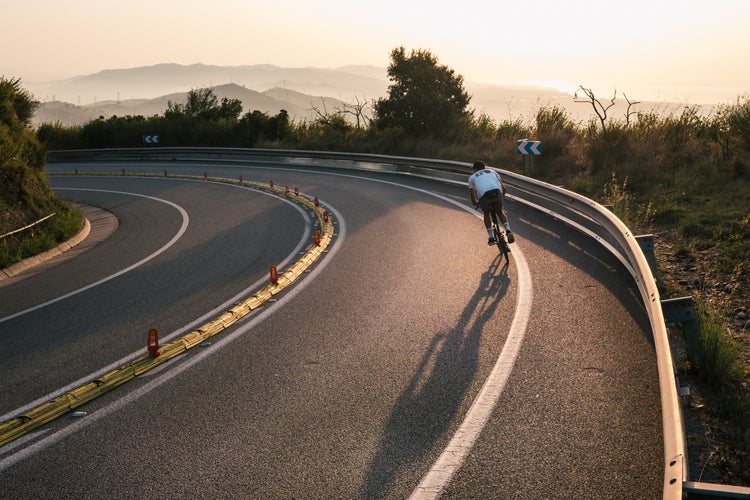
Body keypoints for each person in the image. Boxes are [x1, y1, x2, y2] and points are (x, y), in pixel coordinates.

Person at [468, 160, 515, 245]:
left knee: (486, 213)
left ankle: (491, 237)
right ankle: (508, 230)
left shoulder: (472, 177)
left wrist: (475, 202)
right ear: (483, 168)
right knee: (500, 211)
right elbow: (504, 189)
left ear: (474, 169)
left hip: (484, 196)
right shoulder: (492, 171)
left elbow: (473, 194)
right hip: (497, 193)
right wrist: (501, 200)